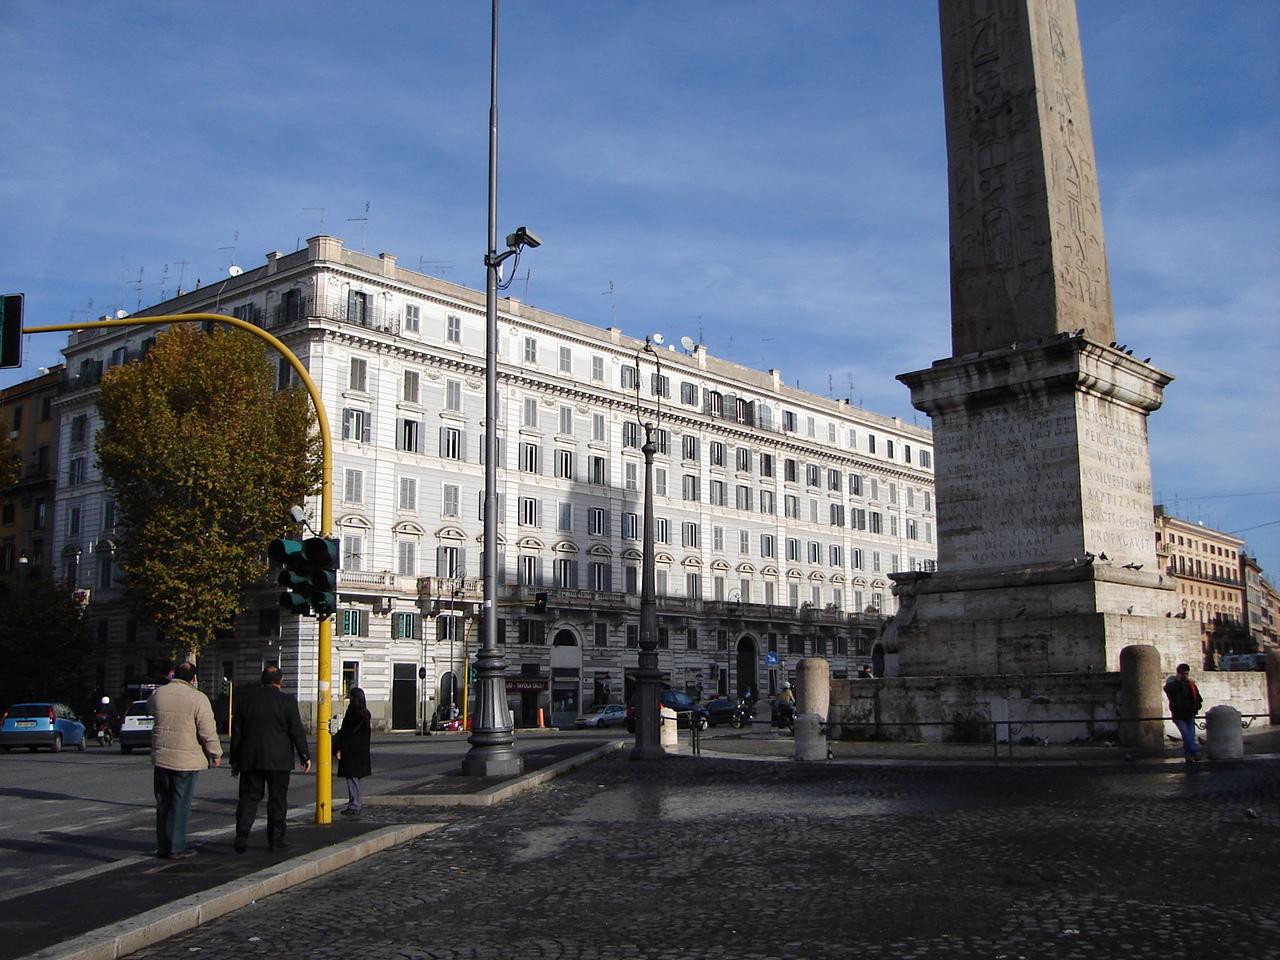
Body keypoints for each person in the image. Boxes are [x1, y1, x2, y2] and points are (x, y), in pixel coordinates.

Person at [230, 665, 311, 853]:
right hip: (279, 759)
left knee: (249, 798)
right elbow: (296, 730)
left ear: (262, 679)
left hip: (251, 758)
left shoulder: (246, 700)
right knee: (277, 800)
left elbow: (237, 733)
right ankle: (276, 839)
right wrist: (304, 755)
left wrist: (235, 759)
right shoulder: (287, 701)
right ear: (280, 681)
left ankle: (242, 834)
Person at [148, 662, 222, 859]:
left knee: (163, 802)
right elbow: (207, 730)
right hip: (186, 759)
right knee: (180, 803)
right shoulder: (198, 698)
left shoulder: (158, 694)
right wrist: (215, 754)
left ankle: (163, 846)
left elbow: (151, 710)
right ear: (193, 678)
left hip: (162, 756)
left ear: (174, 675)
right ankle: (176, 847)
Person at [334, 687, 371, 817]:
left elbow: (346, 733)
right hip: (361, 752)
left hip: (350, 751)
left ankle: (354, 805)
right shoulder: (365, 713)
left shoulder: (352, 712)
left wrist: (338, 747)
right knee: (355, 779)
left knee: (351, 778)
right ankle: (355, 803)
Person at [1164, 662, 1203, 764]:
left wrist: (1196, 707)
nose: (1185, 676)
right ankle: (1195, 751)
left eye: (1186, 674)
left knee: (1190, 735)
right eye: (1182, 674)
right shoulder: (1172, 685)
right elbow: (1169, 692)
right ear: (1178, 673)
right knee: (1186, 735)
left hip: (1190, 713)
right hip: (1178, 715)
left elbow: (1198, 697)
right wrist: (1177, 682)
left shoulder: (1191, 684)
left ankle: (1188, 754)